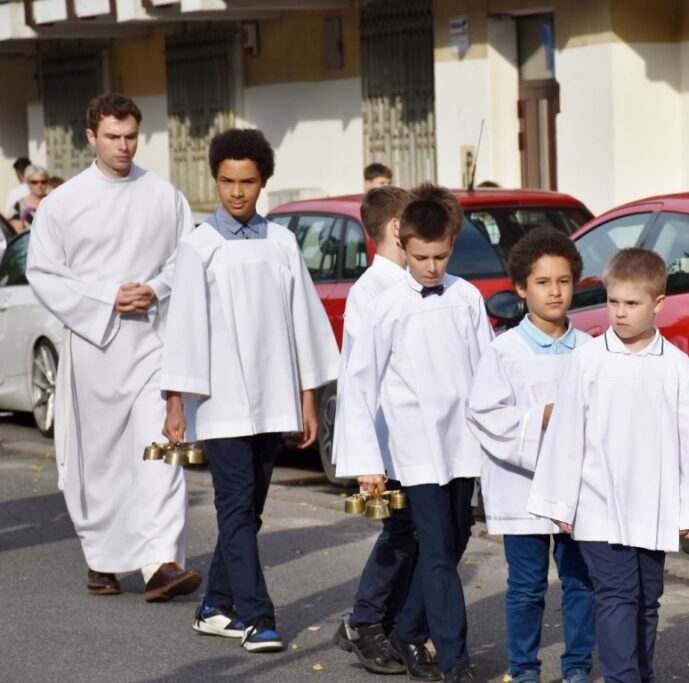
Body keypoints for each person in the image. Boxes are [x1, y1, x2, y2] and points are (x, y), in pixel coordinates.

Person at [161, 128, 337, 653]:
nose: (236, 192)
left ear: (263, 183)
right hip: (221, 403)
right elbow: (184, 327)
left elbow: (303, 322)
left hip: (273, 398)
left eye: (247, 182)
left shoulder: (282, 244)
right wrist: (175, 403)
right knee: (235, 509)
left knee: (249, 510)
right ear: (215, 180)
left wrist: (308, 399)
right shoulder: (199, 247)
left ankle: (214, 605)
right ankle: (259, 616)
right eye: (227, 181)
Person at [526, 248, 689, 683]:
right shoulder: (589, 359)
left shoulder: (676, 366)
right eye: (613, 302)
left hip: (652, 505)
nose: (620, 313)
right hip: (598, 502)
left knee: (646, 598)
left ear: (658, 303)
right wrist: (561, 501)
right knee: (616, 595)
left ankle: (640, 674)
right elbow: (567, 433)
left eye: (632, 303)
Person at [26, 93, 199, 600]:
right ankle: (102, 559)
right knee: (100, 461)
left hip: (151, 341)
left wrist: (157, 289)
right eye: (112, 137)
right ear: (91, 137)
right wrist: (107, 297)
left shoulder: (165, 195)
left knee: (160, 448)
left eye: (130, 137)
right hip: (94, 346)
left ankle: (160, 562)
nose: (123, 146)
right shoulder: (63, 203)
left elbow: (185, 260)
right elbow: (43, 273)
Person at [337, 191, 493, 683]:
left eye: (440, 257)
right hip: (415, 448)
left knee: (456, 538)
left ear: (452, 245)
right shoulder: (386, 306)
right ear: (402, 246)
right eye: (421, 257)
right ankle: (454, 659)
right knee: (438, 552)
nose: (431, 267)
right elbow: (359, 383)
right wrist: (367, 460)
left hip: (461, 444)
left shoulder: (467, 297)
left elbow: (487, 372)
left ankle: (408, 629)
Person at [466, 228, 596, 683]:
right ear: (521, 288)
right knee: (526, 585)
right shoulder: (504, 351)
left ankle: (578, 666)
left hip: (578, 488)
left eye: (563, 281)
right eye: (542, 282)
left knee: (580, 580)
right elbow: (483, 414)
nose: (554, 291)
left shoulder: (591, 350)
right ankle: (524, 670)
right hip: (522, 486)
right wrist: (539, 417)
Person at [332, 185, 417, 674]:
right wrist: (367, 457)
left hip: (415, 436)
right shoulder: (371, 291)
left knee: (417, 534)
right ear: (396, 228)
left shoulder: (411, 282)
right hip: (388, 437)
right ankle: (365, 623)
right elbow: (360, 379)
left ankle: (389, 621)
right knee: (401, 533)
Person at [9, 164, 49, 232]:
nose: (39, 185)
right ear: (27, 183)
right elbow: (17, 233)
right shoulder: (18, 206)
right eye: (34, 182)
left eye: (43, 182)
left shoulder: (54, 202)